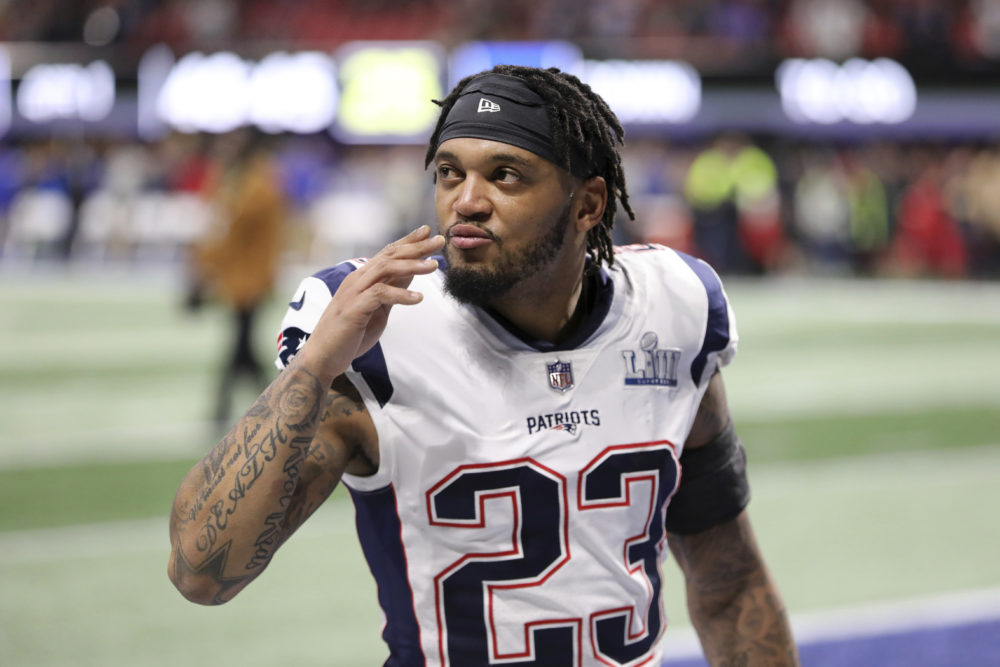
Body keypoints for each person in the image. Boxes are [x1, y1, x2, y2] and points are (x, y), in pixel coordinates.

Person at [168, 65, 799, 666]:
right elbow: (201, 570)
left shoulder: (672, 306)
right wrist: (314, 365)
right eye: (449, 173)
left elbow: (730, 584)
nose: (466, 201)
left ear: (587, 206)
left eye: (506, 176)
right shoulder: (380, 334)